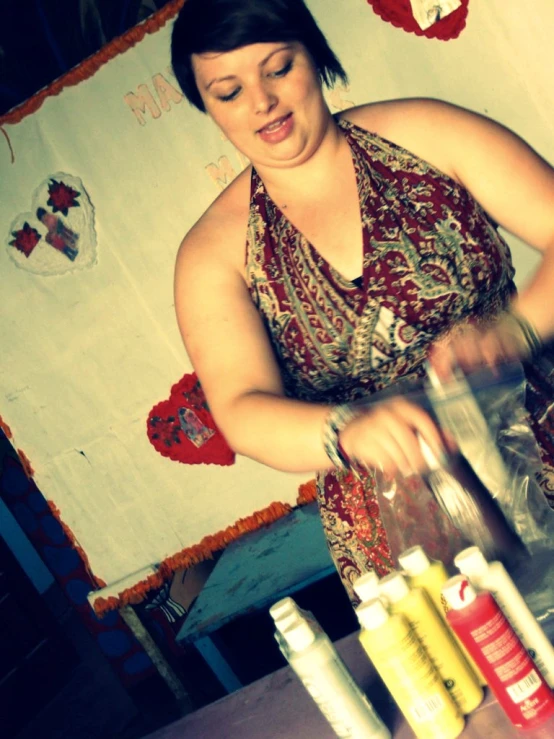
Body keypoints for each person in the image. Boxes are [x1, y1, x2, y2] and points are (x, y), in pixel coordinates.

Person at [170, 0, 554, 601]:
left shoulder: (427, 133)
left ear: (313, 53)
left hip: (537, 419)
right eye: (228, 91)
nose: (261, 102)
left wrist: (516, 331)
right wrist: (345, 428)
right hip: (400, 521)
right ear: (206, 105)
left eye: (278, 67)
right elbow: (242, 409)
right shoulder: (212, 253)